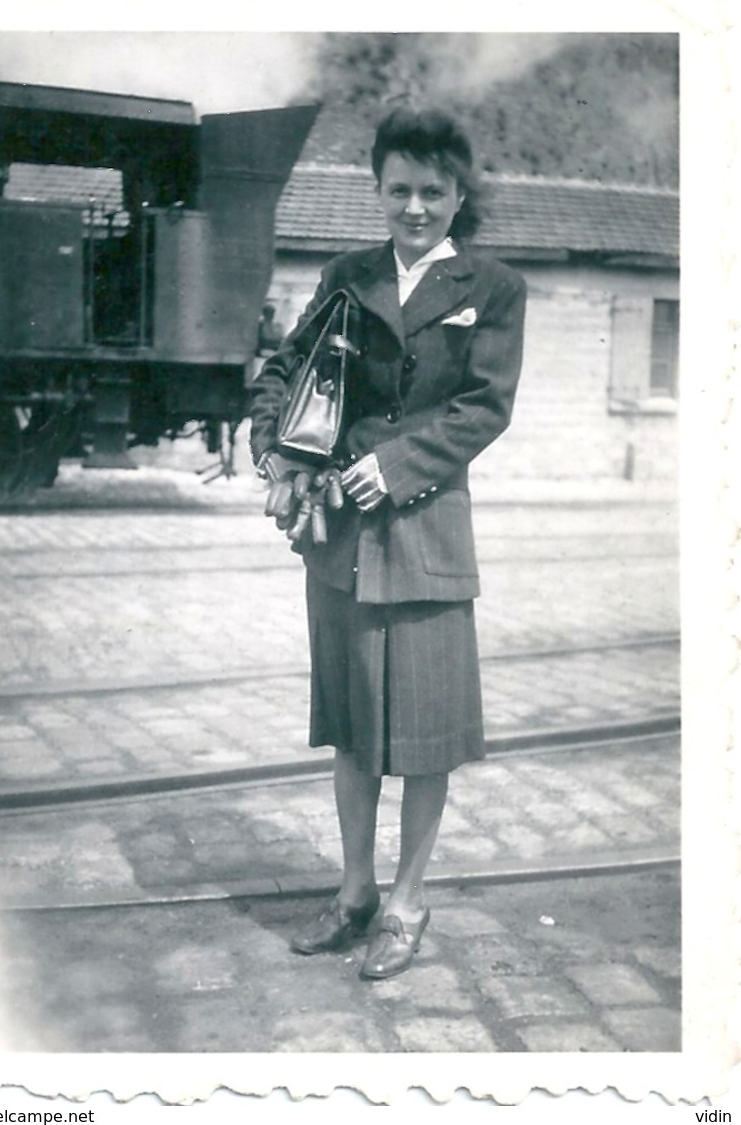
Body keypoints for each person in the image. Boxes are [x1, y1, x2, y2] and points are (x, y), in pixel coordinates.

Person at [249, 107, 527, 980]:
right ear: (377, 190)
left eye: (432, 191)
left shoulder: (493, 286)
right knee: (353, 727)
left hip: (429, 531)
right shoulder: (346, 273)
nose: (415, 207)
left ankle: (407, 902)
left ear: (458, 194)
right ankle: (356, 892)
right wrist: (270, 441)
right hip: (342, 537)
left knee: (427, 735)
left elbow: (484, 407)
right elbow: (287, 369)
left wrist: (398, 466)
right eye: (399, 189)